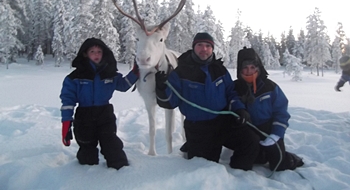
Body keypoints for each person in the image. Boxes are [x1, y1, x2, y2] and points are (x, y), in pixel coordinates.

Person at [155, 32, 260, 170]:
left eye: (207, 46)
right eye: (200, 45)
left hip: (223, 121)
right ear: (194, 47)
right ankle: (193, 149)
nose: (204, 49)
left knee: (250, 141)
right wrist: (162, 88)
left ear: (212, 49)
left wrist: (239, 108)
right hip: (198, 128)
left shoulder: (220, 69)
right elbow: (169, 103)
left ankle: (238, 175)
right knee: (205, 167)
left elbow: (231, 93)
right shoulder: (181, 72)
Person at [60, 37, 139, 170]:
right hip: (84, 116)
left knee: (112, 145)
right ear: (85, 54)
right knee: (87, 152)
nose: (96, 55)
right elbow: (68, 100)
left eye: (99, 52)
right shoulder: (74, 77)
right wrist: (66, 122)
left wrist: (136, 72)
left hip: (105, 114)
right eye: (92, 51)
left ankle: (123, 175)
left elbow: (124, 85)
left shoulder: (109, 73)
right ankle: (87, 177)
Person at [234, 46, 304, 171]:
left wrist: (276, 134)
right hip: (247, 131)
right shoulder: (234, 88)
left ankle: (291, 158)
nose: (249, 71)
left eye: (252, 67)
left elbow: (281, 113)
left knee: (279, 165)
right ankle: (259, 154)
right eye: (245, 68)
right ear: (240, 69)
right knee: (246, 163)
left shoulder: (270, 87)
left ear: (258, 68)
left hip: (268, 129)